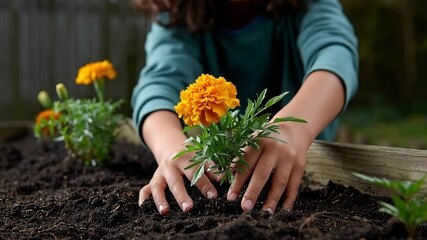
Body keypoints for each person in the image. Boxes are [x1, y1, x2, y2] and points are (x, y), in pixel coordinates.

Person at [131, 0, 358, 215]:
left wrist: (293, 126)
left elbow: (335, 56)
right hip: (218, 173)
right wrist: (169, 145)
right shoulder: (178, 9)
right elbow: (158, 84)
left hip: (305, 175)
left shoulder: (308, 5)